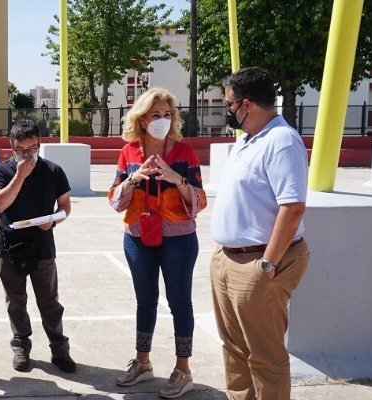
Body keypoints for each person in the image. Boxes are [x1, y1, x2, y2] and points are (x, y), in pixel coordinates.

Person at [209, 67, 310, 400]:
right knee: (234, 348)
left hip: (258, 262)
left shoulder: (282, 141)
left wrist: (267, 265)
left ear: (246, 104)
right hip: (229, 258)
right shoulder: (249, 140)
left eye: (229, 104)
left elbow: (293, 207)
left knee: (265, 356)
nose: (228, 110)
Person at [107, 88, 207, 397]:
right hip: (138, 237)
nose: (162, 120)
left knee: (180, 304)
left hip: (179, 239)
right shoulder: (129, 153)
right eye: (155, 115)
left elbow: (200, 200)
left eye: (167, 115)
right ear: (141, 119)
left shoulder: (184, 153)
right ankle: (143, 363)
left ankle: (183, 370)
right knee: (145, 301)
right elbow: (114, 199)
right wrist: (134, 179)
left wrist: (176, 179)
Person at [0, 119, 75, 373]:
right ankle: (21, 348)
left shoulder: (53, 171)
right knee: (15, 302)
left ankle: (59, 350)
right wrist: (20, 175)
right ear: (12, 146)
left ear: (40, 144)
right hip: (10, 248)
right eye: (21, 150)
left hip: (43, 247)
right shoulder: (2, 171)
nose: (27, 155)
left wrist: (53, 220)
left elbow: (65, 207)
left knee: (50, 302)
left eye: (32, 149)